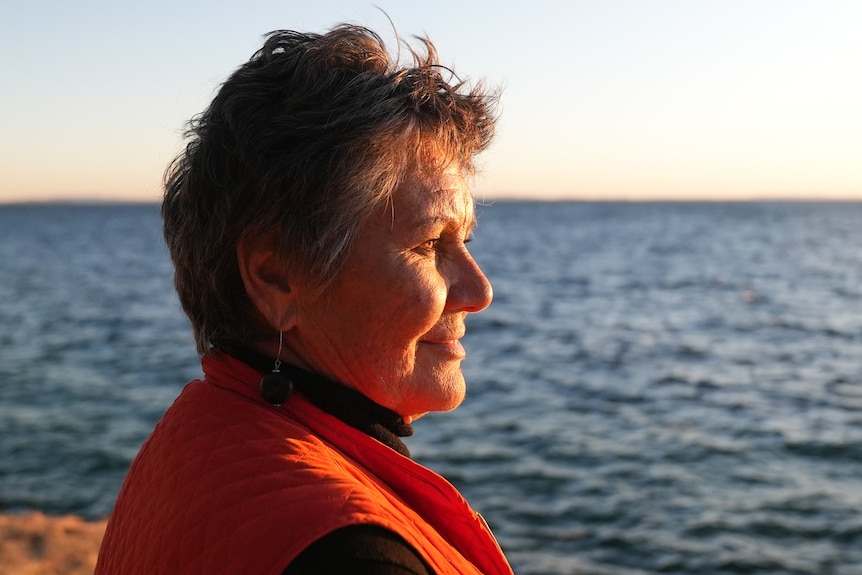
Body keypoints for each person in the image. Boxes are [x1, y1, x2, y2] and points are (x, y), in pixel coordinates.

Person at [95, 24, 512, 575]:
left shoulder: (197, 435)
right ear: (276, 280)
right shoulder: (349, 553)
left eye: (466, 240)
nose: (479, 292)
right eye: (429, 244)